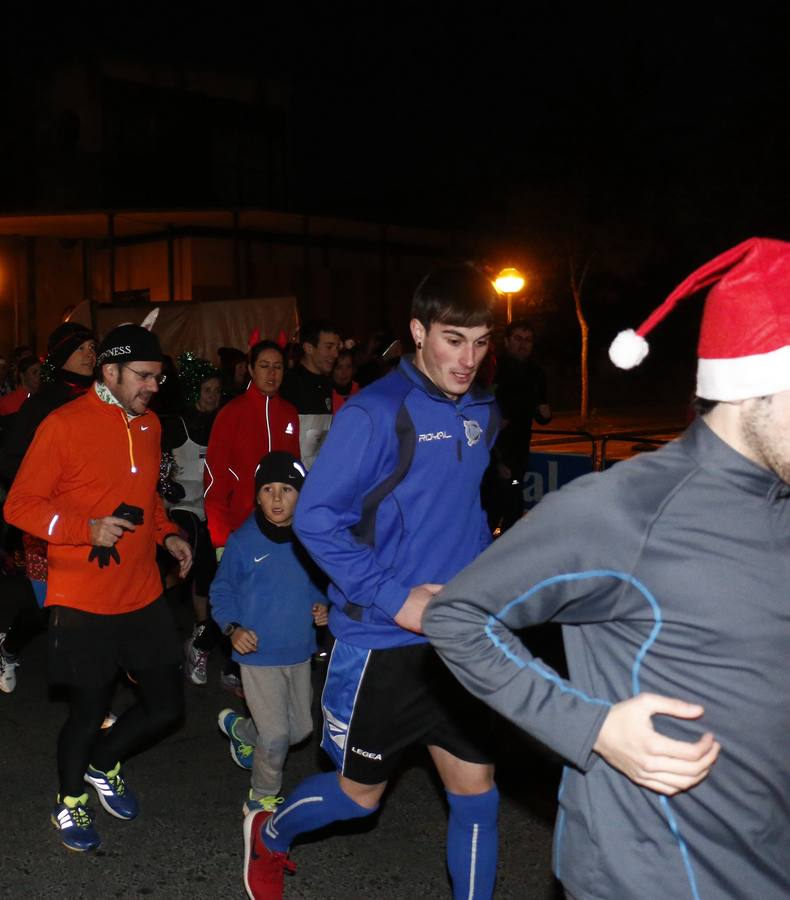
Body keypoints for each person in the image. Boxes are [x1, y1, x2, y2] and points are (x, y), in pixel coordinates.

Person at [424, 238, 790, 900]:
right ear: (752, 384)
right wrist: (589, 726)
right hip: (653, 879)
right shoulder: (629, 509)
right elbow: (457, 615)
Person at [243, 266, 501, 900]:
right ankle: (268, 836)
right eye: (452, 339)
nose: (468, 358)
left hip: (457, 638)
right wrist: (396, 596)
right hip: (381, 641)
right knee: (359, 798)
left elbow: (464, 509)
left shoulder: (486, 407)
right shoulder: (375, 410)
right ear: (418, 332)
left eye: (480, 341)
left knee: (478, 795)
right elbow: (315, 518)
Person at [4, 323, 193, 853]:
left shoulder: (151, 424)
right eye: (143, 376)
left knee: (166, 706)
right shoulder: (63, 425)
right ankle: (70, 803)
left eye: (158, 376)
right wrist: (83, 529)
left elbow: (147, 498)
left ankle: (104, 762)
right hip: (83, 597)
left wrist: (168, 534)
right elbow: (19, 506)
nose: (154, 386)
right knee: (87, 713)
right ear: (109, 371)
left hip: (143, 592)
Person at [211, 452, 328, 814]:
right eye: (268, 489)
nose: (277, 498)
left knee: (300, 731)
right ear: (257, 496)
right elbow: (221, 590)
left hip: (298, 650)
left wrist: (322, 605)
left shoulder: (310, 539)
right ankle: (261, 797)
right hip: (257, 653)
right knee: (277, 737)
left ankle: (242, 731)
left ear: (301, 494)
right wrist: (232, 628)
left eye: (287, 490)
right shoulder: (244, 542)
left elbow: (316, 583)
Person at [0, 321, 96, 693]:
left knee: (87, 608)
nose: (90, 353)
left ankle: (90, 694)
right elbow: (9, 460)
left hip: (92, 521)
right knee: (50, 607)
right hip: (47, 524)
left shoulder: (103, 397)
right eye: (82, 348)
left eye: (93, 347)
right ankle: (8, 647)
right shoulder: (44, 403)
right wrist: (49, 485)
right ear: (63, 354)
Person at [205, 340, 300, 696]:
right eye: (265, 366)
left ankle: (269, 666)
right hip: (240, 527)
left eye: (278, 367)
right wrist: (218, 537)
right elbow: (214, 477)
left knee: (273, 598)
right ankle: (224, 658)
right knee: (240, 599)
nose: (272, 373)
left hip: (282, 525)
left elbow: (296, 472)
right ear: (250, 368)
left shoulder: (289, 412)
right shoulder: (231, 413)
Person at [160, 354, 224, 686]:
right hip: (180, 509)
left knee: (211, 570)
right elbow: (158, 465)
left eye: (217, 389)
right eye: (207, 389)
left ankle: (200, 640)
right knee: (198, 546)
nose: (212, 396)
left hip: (213, 508)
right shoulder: (176, 424)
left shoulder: (222, 423)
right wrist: (163, 482)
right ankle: (193, 636)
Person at [485, 321, 551, 533]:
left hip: (519, 452)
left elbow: (540, 411)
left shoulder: (537, 374)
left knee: (513, 508)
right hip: (491, 452)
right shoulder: (492, 370)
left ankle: (502, 558)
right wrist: (497, 460)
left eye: (528, 340)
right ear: (507, 341)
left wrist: (544, 415)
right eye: (518, 339)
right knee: (492, 507)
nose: (523, 345)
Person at [279, 320, 340, 467]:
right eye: (329, 347)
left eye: (337, 347)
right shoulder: (290, 384)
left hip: (318, 472)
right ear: (308, 348)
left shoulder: (326, 383)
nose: (335, 354)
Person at [0, 354, 41, 419]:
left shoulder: (42, 397)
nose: (39, 376)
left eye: (41, 373)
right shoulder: (5, 402)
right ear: (22, 375)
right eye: (34, 372)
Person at [331, 347, 361, 413]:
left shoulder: (359, 393)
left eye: (348, 367)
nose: (344, 372)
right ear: (332, 369)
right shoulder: (326, 394)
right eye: (339, 367)